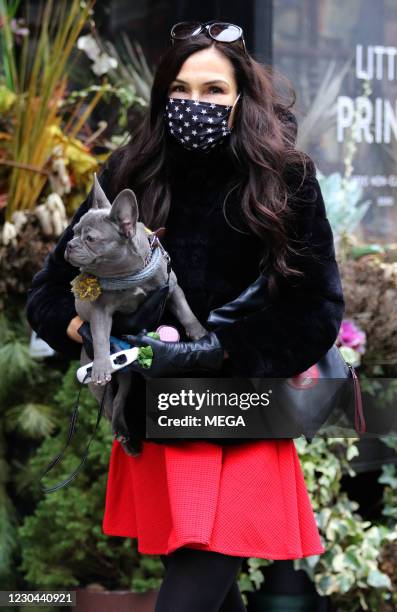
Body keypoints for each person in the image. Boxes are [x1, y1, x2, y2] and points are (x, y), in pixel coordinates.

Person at [26, 20, 345, 612]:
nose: (193, 104)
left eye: (214, 91)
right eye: (179, 90)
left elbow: (316, 309)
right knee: (210, 599)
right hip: (158, 413)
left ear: (242, 97)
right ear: (160, 95)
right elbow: (48, 291)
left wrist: (221, 352)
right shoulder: (130, 173)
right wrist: (94, 335)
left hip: (243, 411)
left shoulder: (284, 177)